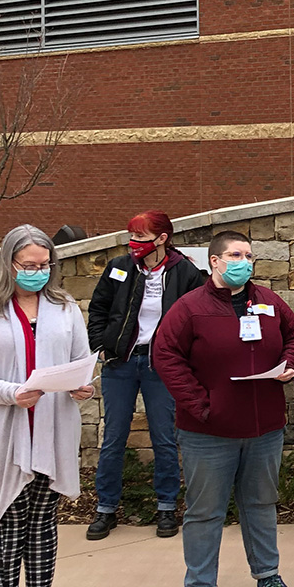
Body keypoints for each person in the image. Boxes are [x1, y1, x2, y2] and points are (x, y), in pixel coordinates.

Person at [153, 231, 294, 587]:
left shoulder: (268, 300)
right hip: (209, 432)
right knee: (205, 512)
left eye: (249, 256)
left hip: (264, 428)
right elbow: (166, 356)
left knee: (260, 505)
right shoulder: (190, 307)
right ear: (215, 262)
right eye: (235, 255)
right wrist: (201, 405)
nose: (244, 262)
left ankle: (267, 577)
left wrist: (290, 364)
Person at [0, 225, 95, 587]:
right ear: (9, 264)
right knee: (5, 525)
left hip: (51, 431)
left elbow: (81, 364)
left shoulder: (65, 308)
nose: (38, 271)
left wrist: (83, 387)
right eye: (29, 265)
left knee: (42, 528)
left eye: (45, 264)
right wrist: (12, 393)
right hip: (5, 434)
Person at [85, 210, 203, 541]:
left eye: (140, 237)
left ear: (162, 239)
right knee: (113, 439)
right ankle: (105, 509)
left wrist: (183, 359)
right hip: (120, 364)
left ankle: (167, 508)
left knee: (164, 438)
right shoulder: (119, 267)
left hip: (161, 368)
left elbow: (199, 319)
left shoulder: (186, 272)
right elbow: (99, 309)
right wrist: (101, 346)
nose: (133, 243)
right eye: (132, 237)